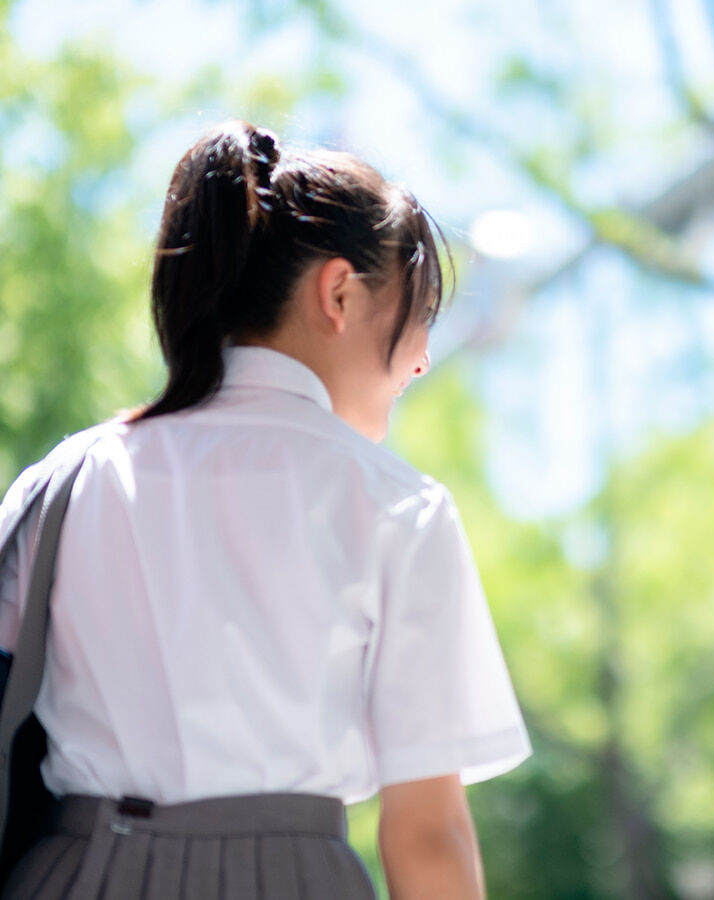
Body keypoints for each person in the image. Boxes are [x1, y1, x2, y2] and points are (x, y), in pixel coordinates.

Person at [0, 121, 530, 899]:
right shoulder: (397, 507)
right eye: (420, 312)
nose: (421, 358)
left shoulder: (65, 480)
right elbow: (427, 835)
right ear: (339, 293)